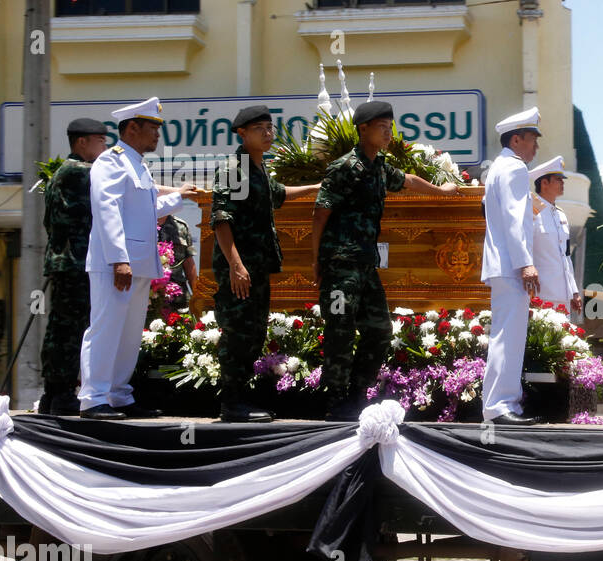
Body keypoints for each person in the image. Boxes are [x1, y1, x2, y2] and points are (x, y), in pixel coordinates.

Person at [312, 100, 458, 421]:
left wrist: (442, 192)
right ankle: (336, 404)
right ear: (363, 129)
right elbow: (320, 213)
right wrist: (317, 261)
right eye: (382, 127)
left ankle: (355, 395)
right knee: (340, 332)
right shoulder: (344, 168)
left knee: (379, 330)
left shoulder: (379, 167)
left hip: (365, 267)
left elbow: (407, 180)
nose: (388, 132)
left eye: (389, 127)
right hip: (339, 266)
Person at [78, 97, 188, 420]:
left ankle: (118, 394)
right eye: (152, 128)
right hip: (117, 264)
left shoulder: (137, 164)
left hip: (138, 264)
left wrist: (182, 198)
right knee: (105, 329)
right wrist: (118, 259)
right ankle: (93, 397)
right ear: (132, 128)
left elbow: (144, 211)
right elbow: (107, 209)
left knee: (128, 335)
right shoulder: (110, 161)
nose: (157, 134)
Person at [211, 105, 320, 422]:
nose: (268, 133)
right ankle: (231, 404)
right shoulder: (234, 169)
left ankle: (240, 400)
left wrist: (315, 187)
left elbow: (278, 194)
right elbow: (220, 219)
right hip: (240, 270)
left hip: (256, 268)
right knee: (238, 333)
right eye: (260, 128)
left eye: (270, 127)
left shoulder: (257, 169)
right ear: (242, 133)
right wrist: (235, 264)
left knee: (254, 332)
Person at [38, 118, 108, 415]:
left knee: (61, 328)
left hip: (65, 261)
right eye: (101, 141)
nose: (105, 147)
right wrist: (176, 191)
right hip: (75, 262)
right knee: (72, 330)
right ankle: (62, 392)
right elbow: (118, 182)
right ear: (82, 142)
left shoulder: (61, 174)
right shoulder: (80, 172)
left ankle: (53, 394)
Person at [481, 106, 542, 426]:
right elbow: (516, 221)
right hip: (511, 265)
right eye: (532, 139)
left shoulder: (498, 168)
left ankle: (504, 403)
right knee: (509, 336)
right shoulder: (515, 168)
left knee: (507, 335)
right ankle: (499, 405)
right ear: (516, 139)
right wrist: (526, 264)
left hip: (502, 264)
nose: (536, 147)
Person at [527, 155, 582, 315]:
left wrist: (574, 291)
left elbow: (566, 256)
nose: (563, 183)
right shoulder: (530, 210)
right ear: (544, 183)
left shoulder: (560, 215)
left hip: (562, 294)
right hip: (540, 294)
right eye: (558, 179)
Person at [155, 212, 196, 311]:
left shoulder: (180, 226)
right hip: (150, 298)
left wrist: (197, 296)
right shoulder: (140, 225)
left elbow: (189, 264)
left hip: (178, 298)